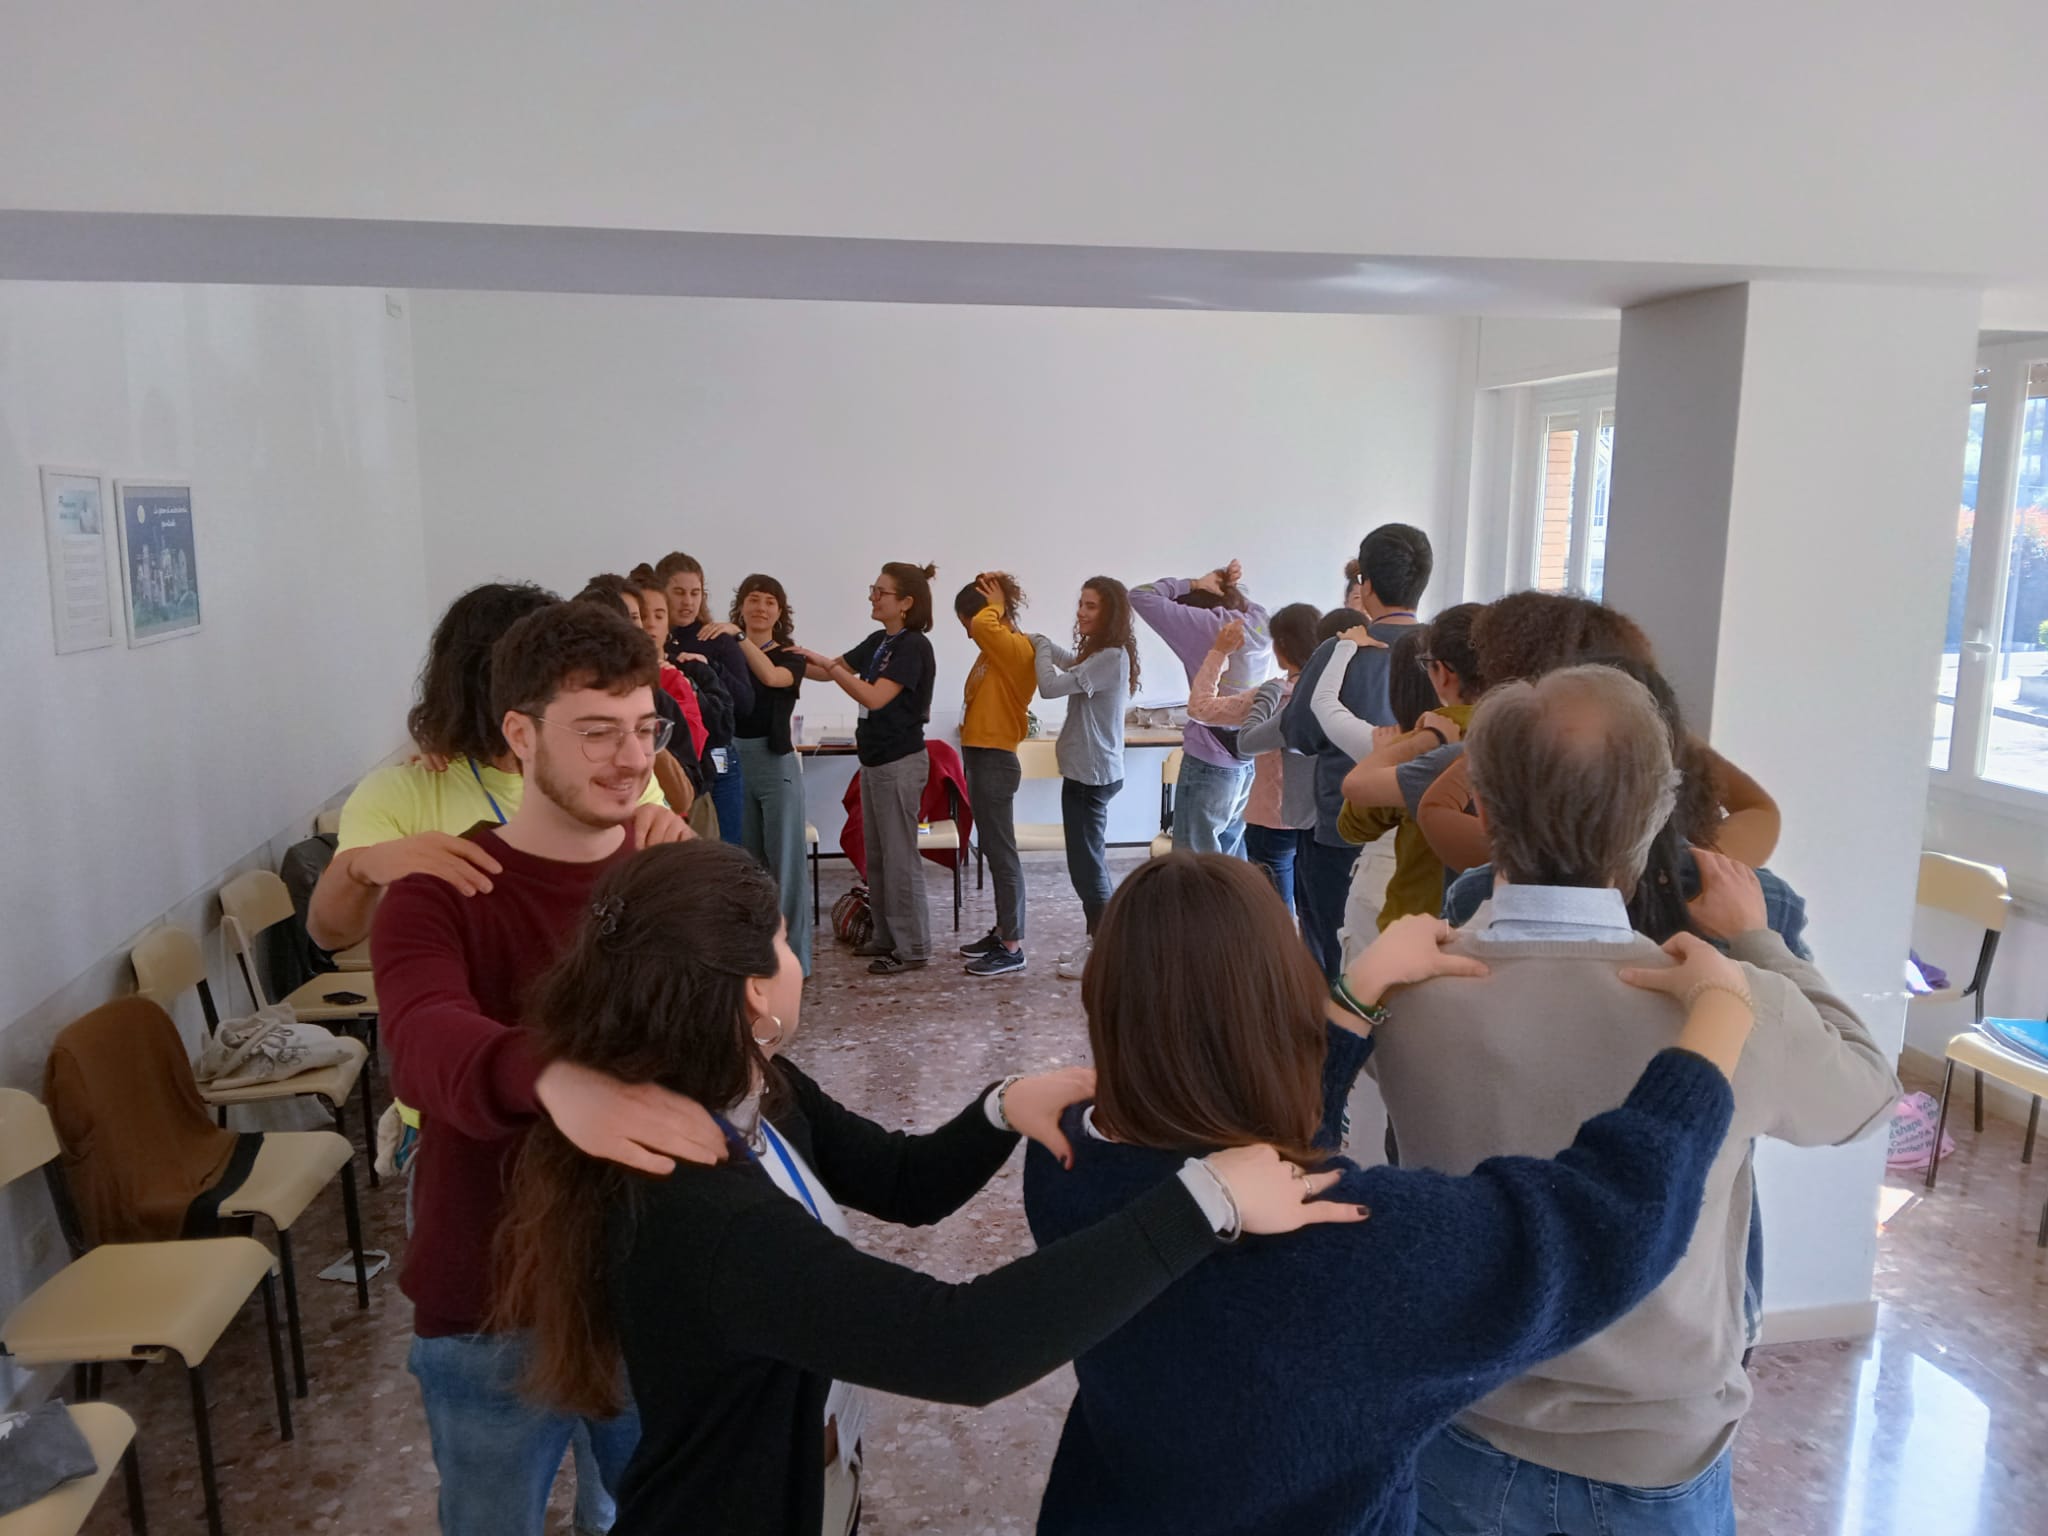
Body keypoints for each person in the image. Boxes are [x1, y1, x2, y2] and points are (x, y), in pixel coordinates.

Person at [491, 840, 1358, 1536]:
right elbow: (961, 1346)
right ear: (754, 992)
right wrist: (1203, 1200)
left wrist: (1000, 1107)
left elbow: (902, 1182)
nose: (800, 960)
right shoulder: (703, 1210)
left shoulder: (757, 1089)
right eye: (788, 941)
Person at [1022, 852, 1758, 1535]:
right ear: (1284, 1004)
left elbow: (1232, 1138)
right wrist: (1722, 1017)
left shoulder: (1065, 1156)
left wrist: (1357, 995)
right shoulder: (1359, 1248)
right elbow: (1609, 1223)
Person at [1364, 666, 1899, 1536]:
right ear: (1656, 818)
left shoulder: (1399, 988)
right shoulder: (1734, 1005)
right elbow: (1868, 1096)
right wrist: (1761, 942)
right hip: (1653, 1459)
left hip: (1452, 1424)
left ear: (1484, 812)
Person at [374, 600, 729, 1536]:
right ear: (522, 734)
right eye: (597, 732)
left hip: (652, 1284)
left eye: (645, 729)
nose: (630, 758)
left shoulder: (671, 880)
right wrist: (554, 1078)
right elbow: (422, 1040)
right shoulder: (439, 891)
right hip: (497, 1298)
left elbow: (752, 1026)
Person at [1282, 524, 1432, 976]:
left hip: (1342, 825)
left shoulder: (1341, 649)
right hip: (1425, 824)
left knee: (1333, 954)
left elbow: (1300, 734)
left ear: (1364, 585)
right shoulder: (1443, 649)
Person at [793, 562, 939, 975]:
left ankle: (913, 948)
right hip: (875, 762)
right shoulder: (880, 641)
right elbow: (827, 670)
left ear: (906, 602)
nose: (873, 598)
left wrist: (832, 668)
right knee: (877, 857)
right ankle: (886, 937)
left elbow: (874, 697)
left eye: (881, 592)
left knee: (900, 859)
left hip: (900, 763)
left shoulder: (914, 646)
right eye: (872, 590)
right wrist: (783, 656)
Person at [1327, 604, 1487, 933]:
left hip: (1417, 926)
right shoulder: (1533, 737)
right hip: (1494, 928)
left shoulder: (1422, 743)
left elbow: (1351, 825)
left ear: (1442, 672)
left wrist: (1392, 752)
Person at [688, 573, 814, 973]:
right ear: (740, 605)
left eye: (770, 602)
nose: (761, 608)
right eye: (754, 599)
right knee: (747, 865)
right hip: (732, 761)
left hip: (776, 764)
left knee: (786, 865)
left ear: (780, 611)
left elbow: (772, 678)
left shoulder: (790, 655)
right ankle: (757, 957)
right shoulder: (724, 649)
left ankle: (794, 961)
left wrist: (738, 639)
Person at [1031, 577, 1140, 981]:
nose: (1081, 612)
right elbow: (1071, 665)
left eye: (1090, 606)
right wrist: (1043, 644)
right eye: (1081, 603)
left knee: (1087, 869)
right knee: (1085, 865)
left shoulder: (1110, 656)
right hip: (1087, 772)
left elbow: (1049, 686)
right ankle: (1097, 942)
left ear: (1110, 612)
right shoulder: (1101, 655)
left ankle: (1102, 951)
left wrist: (1040, 647)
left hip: (1091, 776)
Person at [1184, 603, 1322, 911]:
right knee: (1313, 905)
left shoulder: (1272, 694)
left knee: (1273, 907)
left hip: (1271, 818)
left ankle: (1280, 944)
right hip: (1318, 816)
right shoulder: (1332, 694)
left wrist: (1219, 652)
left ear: (1280, 647)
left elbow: (1199, 707)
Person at [1130, 561, 1272, 856]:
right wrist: (1230, 587)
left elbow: (1140, 595)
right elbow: (1247, 606)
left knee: (1194, 862)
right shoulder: (1259, 620)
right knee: (1231, 859)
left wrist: (1193, 584)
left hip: (1210, 757)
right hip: (1246, 757)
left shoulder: (1200, 623)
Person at [954, 573, 1037, 978]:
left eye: (966, 623)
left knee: (1002, 852)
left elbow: (986, 626)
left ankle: (1012, 947)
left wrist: (996, 603)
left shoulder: (1017, 648)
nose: (968, 633)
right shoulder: (992, 651)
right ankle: (1004, 930)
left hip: (996, 759)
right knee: (992, 847)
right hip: (980, 755)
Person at [656, 551, 756, 846]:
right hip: (669, 762)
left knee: (724, 851)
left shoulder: (716, 639)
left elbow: (745, 704)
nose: (688, 601)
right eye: (679, 592)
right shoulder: (652, 641)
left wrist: (710, 668)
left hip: (717, 758)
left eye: (695, 593)